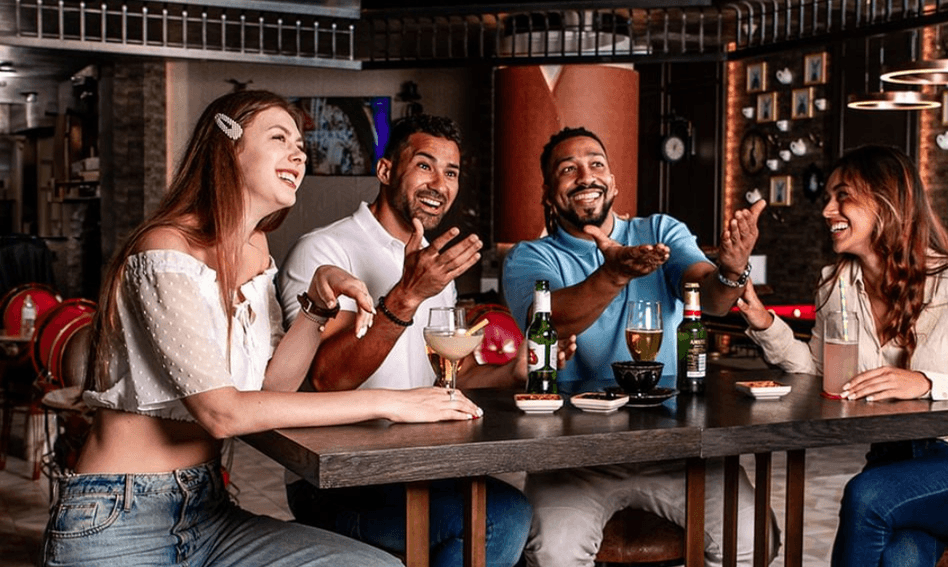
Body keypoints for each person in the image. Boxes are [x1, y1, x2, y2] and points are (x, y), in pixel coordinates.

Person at [40, 91, 487, 567]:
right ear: (227, 149)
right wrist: (394, 403)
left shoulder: (257, 254)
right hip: (117, 516)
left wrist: (316, 308)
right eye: (279, 138)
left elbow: (274, 387)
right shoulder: (165, 248)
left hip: (207, 512)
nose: (298, 153)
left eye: (300, 144)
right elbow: (222, 414)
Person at [278, 114, 551, 567]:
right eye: (425, 166)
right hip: (336, 482)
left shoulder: (432, 268)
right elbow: (328, 378)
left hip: (419, 465)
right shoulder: (324, 250)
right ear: (385, 171)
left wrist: (512, 370)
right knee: (499, 517)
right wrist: (407, 295)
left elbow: (449, 375)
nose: (439, 183)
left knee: (502, 518)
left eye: (451, 172)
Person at [736, 145, 948, 567]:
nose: (827, 210)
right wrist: (764, 322)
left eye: (843, 196)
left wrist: (927, 384)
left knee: (866, 495)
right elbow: (818, 372)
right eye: (829, 197)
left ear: (887, 204)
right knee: (902, 555)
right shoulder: (835, 285)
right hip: (893, 464)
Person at [501, 126, 774, 567]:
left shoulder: (659, 230)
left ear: (614, 183)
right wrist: (614, 274)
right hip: (572, 458)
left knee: (753, 539)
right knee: (554, 552)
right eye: (567, 169)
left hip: (677, 448)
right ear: (550, 195)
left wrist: (731, 270)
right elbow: (550, 320)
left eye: (596, 164)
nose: (585, 175)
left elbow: (708, 298)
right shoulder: (531, 257)